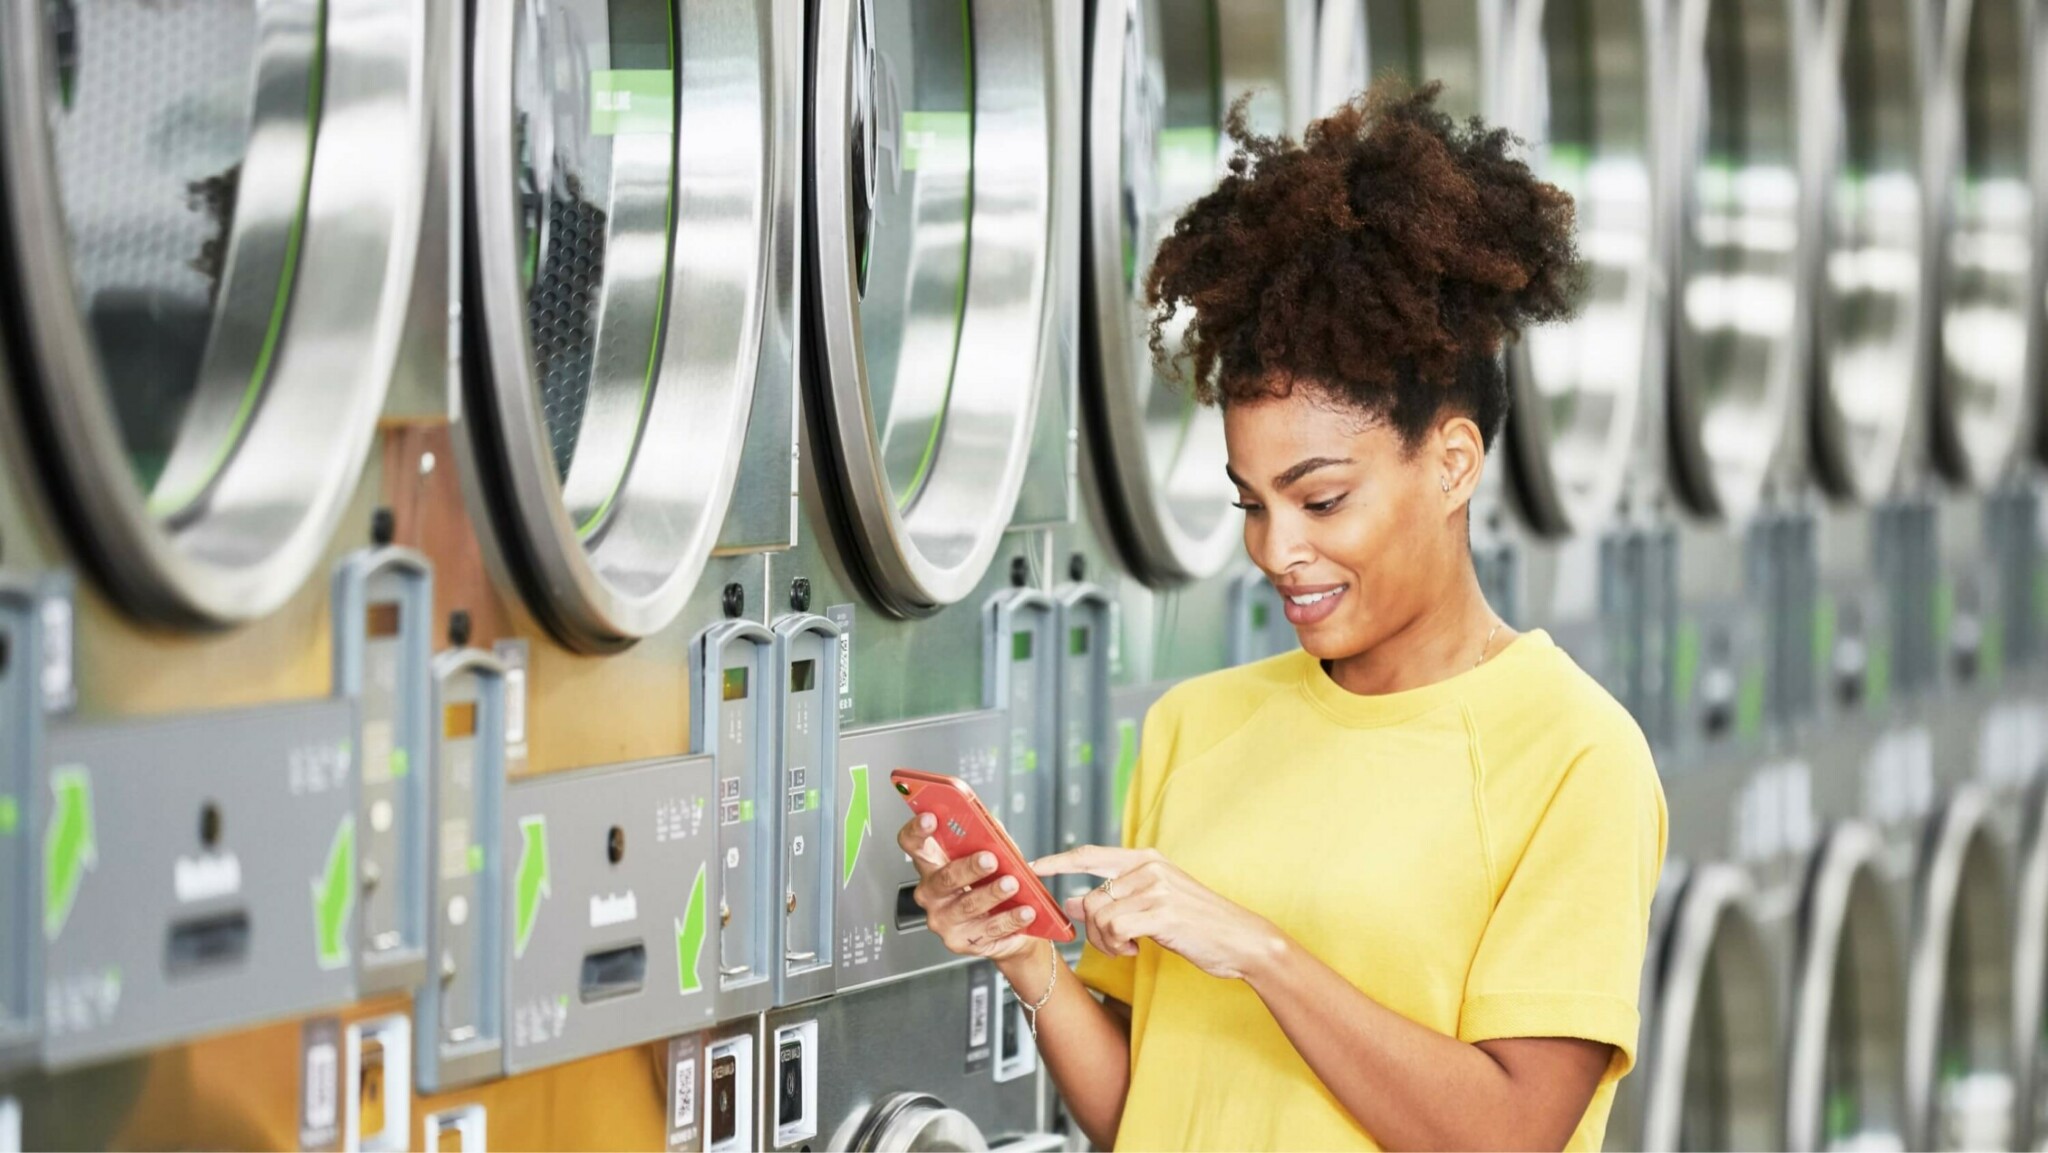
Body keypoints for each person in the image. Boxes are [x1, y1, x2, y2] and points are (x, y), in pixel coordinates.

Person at [896, 79, 1666, 1151]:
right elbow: (1150, 1115)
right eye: (1248, 502)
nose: (1274, 549)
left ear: (1449, 462)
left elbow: (1508, 1135)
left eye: (1321, 498)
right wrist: (1029, 961)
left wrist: (1256, 950)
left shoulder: (1572, 754)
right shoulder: (1197, 727)